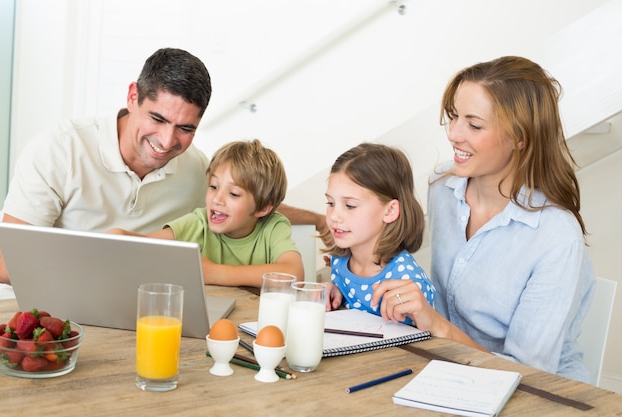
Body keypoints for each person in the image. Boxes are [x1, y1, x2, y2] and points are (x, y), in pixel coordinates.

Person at [0, 47, 328, 285]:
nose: (168, 142)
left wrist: (317, 219)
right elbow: (5, 259)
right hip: (61, 302)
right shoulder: (60, 148)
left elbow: (251, 199)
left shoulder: (195, 167)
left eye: (186, 128)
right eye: (158, 118)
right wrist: (93, 273)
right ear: (132, 97)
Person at [371, 56, 595, 382]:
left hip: (535, 394)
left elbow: (529, 373)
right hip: (448, 368)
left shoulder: (556, 237)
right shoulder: (443, 188)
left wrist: (436, 324)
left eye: (474, 125)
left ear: (521, 138)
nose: (454, 134)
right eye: (454, 117)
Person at [110, 139, 303, 287]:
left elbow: (294, 273)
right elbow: (148, 244)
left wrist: (215, 273)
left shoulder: (274, 226)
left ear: (263, 208)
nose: (217, 199)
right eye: (213, 186)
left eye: (234, 194)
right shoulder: (198, 222)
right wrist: (122, 236)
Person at [323, 143, 435, 325]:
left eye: (350, 205)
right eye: (330, 203)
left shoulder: (407, 280)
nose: (334, 216)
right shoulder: (340, 261)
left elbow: (427, 343)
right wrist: (335, 292)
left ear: (390, 211)